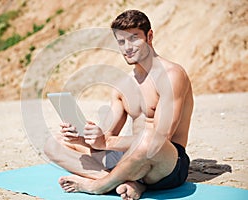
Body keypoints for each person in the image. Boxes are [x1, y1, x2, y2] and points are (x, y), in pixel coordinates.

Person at [44, 9, 193, 200]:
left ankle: (99, 185)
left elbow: (162, 137)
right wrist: (85, 137)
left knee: (148, 138)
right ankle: (124, 182)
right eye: (121, 42)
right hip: (129, 158)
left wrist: (107, 142)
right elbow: (105, 138)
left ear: (149, 36)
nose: (127, 47)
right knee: (53, 142)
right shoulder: (123, 85)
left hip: (166, 164)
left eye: (133, 38)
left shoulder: (172, 75)